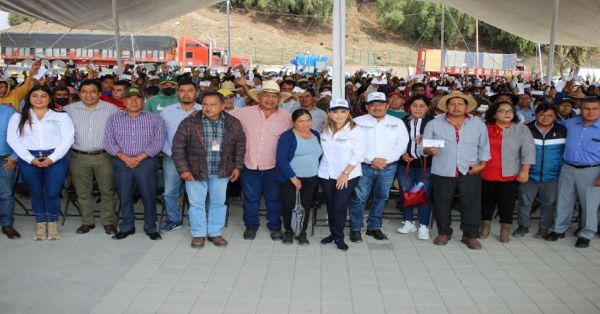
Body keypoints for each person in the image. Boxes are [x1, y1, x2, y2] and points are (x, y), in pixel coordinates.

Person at [172, 91, 246, 248]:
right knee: (196, 203)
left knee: (218, 202)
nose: (208, 108)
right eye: (205, 104)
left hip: (221, 170)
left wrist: (238, 167)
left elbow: (240, 146)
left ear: (222, 105)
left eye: (213, 105)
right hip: (195, 170)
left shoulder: (233, 123)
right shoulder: (189, 122)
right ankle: (198, 234)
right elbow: (178, 148)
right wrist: (184, 170)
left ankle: (214, 232)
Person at [420, 91, 490, 250]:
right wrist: (427, 150)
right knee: (442, 203)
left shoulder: (477, 123)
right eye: (452, 104)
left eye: (460, 104)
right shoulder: (434, 124)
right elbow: (422, 147)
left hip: (470, 169)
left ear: (466, 107)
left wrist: (482, 165)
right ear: (446, 106)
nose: (456, 107)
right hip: (443, 170)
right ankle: (444, 232)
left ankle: (470, 235)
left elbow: (484, 147)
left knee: (471, 204)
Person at [7, 86, 74, 240]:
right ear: (29, 98)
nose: (39, 99)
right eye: (35, 95)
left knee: (52, 192)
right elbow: (13, 140)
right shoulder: (18, 117)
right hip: (29, 158)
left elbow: (67, 139)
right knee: (36, 192)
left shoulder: (60, 116)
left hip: (56, 158)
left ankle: (52, 223)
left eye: (43, 96)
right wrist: (30, 159)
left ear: (50, 98)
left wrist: (53, 158)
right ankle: (40, 223)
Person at [232, 80, 292, 240]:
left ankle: (275, 226)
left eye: (274, 96)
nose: (270, 99)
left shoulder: (287, 117)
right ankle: (251, 226)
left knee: (274, 198)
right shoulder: (243, 112)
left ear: (279, 99)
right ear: (259, 97)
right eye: (266, 95)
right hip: (250, 164)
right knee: (251, 198)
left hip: (275, 166)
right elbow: (224, 117)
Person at [104, 87, 165, 240]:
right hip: (122, 163)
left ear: (143, 101)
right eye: (129, 98)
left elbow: (158, 142)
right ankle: (126, 226)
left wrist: (139, 158)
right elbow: (108, 142)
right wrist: (125, 158)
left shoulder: (155, 119)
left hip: (146, 163)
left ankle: (150, 227)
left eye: (137, 98)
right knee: (124, 196)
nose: (133, 101)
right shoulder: (113, 119)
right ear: (123, 101)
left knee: (149, 196)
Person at [349, 92, 408, 242]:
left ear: (387, 106)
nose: (377, 107)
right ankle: (355, 228)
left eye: (381, 104)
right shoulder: (356, 121)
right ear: (367, 107)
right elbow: (352, 145)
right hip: (363, 166)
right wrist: (371, 159)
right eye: (373, 104)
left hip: (388, 167)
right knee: (359, 198)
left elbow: (402, 145)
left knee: (382, 197)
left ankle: (374, 227)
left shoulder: (397, 122)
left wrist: (385, 160)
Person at [63, 79, 120, 235]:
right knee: (82, 192)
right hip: (78, 156)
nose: (88, 95)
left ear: (99, 93)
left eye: (93, 91)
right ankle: (87, 221)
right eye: (84, 91)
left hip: (104, 156)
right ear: (79, 93)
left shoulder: (111, 109)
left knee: (107, 190)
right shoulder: (68, 110)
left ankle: (109, 221)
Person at [545, 97, 600, 248]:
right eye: (586, 108)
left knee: (589, 204)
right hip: (567, 168)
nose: (590, 112)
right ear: (580, 109)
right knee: (563, 200)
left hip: (592, 170)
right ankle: (559, 229)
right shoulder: (569, 124)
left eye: (594, 108)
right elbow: (548, 125)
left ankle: (586, 233)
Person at [479, 101, 535, 243]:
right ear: (494, 114)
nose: (507, 113)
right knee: (486, 202)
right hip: (486, 172)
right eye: (502, 110)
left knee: (507, 203)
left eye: (510, 110)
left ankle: (505, 230)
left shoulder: (521, 129)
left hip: (509, 174)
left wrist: (525, 170)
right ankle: (485, 227)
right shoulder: (484, 128)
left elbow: (528, 151)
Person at [319, 99, 366, 251]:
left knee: (339, 205)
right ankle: (333, 234)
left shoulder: (356, 130)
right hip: (326, 174)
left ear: (348, 113)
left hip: (347, 174)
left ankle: (339, 237)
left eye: (343, 111)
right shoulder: (325, 129)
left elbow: (359, 155)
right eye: (335, 112)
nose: (339, 115)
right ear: (329, 113)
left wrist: (345, 173)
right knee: (331, 205)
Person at [513, 104, 566, 238]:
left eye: (550, 115)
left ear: (555, 116)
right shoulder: (526, 129)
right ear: (535, 115)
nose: (545, 118)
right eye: (542, 114)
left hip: (552, 176)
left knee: (548, 204)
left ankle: (544, 228)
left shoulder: (562, 130)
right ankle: (523, 226)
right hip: (529, 174)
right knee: (525, 201)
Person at [159, 80, 202, 233]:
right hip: (172, 158)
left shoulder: (204, 110)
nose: (186, 94)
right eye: (182, 90)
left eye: (190, 90)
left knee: (196, 192)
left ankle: (195, 220)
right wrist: (172, 153)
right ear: (177, 93)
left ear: (196, 93)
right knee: (170, 192)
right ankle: (173, 220)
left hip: (197, 160)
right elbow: (161, 136)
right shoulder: (167, 111)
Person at [276, 109, 322, 245]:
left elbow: (319, 155)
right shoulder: (287, 136)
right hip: (291, 178)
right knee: (289, 204)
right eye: (301, 121)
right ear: (293, 122)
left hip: (311, 177)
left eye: (308, 120)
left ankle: (302, 232)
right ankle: (288, 231)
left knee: (306, 205)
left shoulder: (315, 134)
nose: (305, 123)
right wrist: (293, 178)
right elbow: (281, 159)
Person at [396, 96, 433, 240]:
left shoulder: (433, 123)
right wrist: (401, 154)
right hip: (406, 164)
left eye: (422, 106)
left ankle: (423, 225)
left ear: (427, 108)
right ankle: (408, 221)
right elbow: (393, 141)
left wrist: (426, 140)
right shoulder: (401, 122)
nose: (418, 109)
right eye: (415, 105)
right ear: (409, 107)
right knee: (406, 192)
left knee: (423, 193)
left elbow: (441, 142)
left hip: (425, 165)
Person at [0, 103, 19, 239]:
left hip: (5, 159)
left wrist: (14, 156)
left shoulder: (10, 112)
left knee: (6, 194)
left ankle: (7, 224)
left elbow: (20, 135)